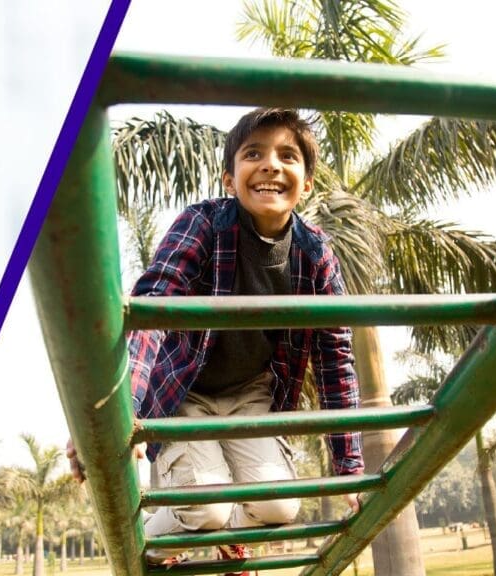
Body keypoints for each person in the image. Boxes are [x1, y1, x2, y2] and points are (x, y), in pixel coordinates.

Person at [70, 108, 363, 573]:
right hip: (186, 393)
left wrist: (349, 469)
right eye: (254, 154)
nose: (270, 164)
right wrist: (124, 409)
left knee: (278, 509)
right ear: (230, 178)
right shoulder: (203, 225)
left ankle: (226, 537)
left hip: (252, 394)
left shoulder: (315, 254)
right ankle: (159, 533)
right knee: (208, 511)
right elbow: (151, 310)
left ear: (306, 184)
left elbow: (335, 359)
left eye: (288, 155)